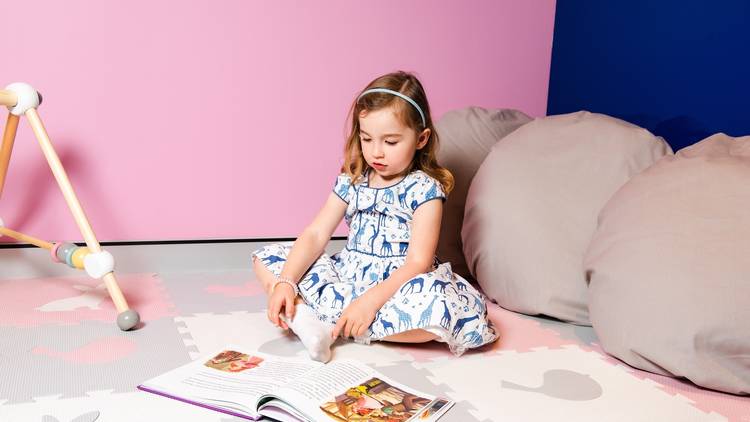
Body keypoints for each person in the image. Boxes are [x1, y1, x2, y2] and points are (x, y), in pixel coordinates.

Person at [252, 71, 497, 362]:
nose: (376, 152)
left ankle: (336, 322)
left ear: (421, 139)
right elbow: (317, 234)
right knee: (269, 260)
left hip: (398, 283)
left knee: (440, 311)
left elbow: (418, 262)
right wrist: (287, 283)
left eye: (391, 142)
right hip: (349, 273)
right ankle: (308, 316)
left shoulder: (424, 189)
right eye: (367, 138)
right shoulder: (353, 178)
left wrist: (369, 303)